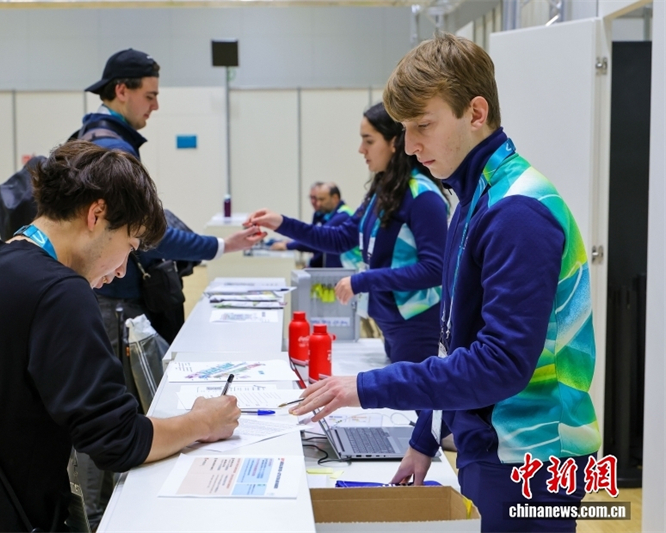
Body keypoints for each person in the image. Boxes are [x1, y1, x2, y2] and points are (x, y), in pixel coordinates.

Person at [289, 33, 601, 533]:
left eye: (423, 126)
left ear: (476, 112)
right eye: (406, 130)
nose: (410, 147)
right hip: (493, 446)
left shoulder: (517, 212)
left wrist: (367, 388)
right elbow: (453, 339)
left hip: (534, 461)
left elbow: (500, 363)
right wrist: (424, 435)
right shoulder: (475, 197)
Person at [0, 142, 239, 532]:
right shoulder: (60, 293)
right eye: (128, 247)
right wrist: (202, 421)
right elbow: (118, 441)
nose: (120, 271)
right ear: (96, 215)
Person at [81, 48, 263, 345]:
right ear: (122, 90)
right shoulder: (115, 152)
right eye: (150, 96)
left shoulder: (88, 137)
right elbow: (149, 232)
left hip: (102, 296)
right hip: (119, 302)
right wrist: (221, 245)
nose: (156, 106)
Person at [247, 102, 449, 364]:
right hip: (389, 322)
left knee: (412, 403)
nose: (361, 149)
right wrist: (281, 223)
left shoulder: (423, 196)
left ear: (394, 142)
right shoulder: (383, 190)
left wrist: (364, 280)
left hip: (416, 325)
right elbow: (340, 238)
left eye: (368, 140)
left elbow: (435, 269)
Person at [271, 182, 362, 269]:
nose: (318, 203)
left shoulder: (343, 216)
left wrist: (288, 245)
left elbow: (319, 238)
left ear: (334, 198)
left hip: (350, 269)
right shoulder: (327, 215)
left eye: (322, 199)